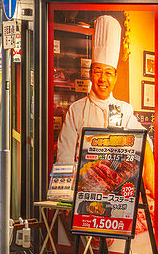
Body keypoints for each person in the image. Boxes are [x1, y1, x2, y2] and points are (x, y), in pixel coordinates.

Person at [55, 15, 143, 166]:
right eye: (98, 72)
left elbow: (143, 142)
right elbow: (64, 158)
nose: (103, 79)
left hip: (115, 186)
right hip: (82, 185)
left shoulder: (125, 110)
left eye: (108, 73)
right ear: (90, 74)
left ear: (115, 77)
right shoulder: (76, 110)